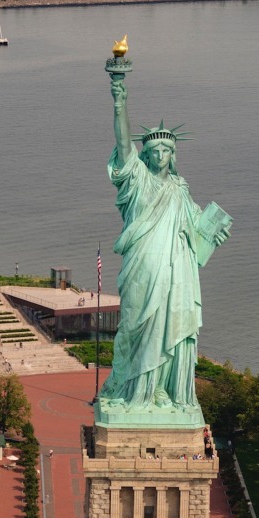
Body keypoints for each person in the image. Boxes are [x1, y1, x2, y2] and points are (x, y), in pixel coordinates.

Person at [98, 71, 231, 414]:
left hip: (177, 269)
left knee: (170, 322)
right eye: (154, 150)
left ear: (173, 155)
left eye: (166, 151)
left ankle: (159, 390)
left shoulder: (180, 188)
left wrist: (214, 233)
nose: (159, 155)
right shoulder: (137, 180)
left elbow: (196, 231)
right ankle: (132, 390)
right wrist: (119, 102)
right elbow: (124, 144)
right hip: (143, 265)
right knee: (136, 325)